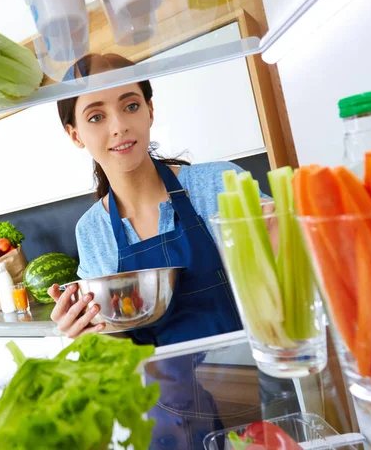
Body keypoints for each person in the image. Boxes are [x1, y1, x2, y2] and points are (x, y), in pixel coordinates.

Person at [48, 53, 268, 346]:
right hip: (159, 390)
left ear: (150, 110)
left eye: (131, 106)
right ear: (75, 134)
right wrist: (89, 328)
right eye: (96, 117)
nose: (119, 126)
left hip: (252, 377)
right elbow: (122, 340)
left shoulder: (219, 184)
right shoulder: (91, 231)